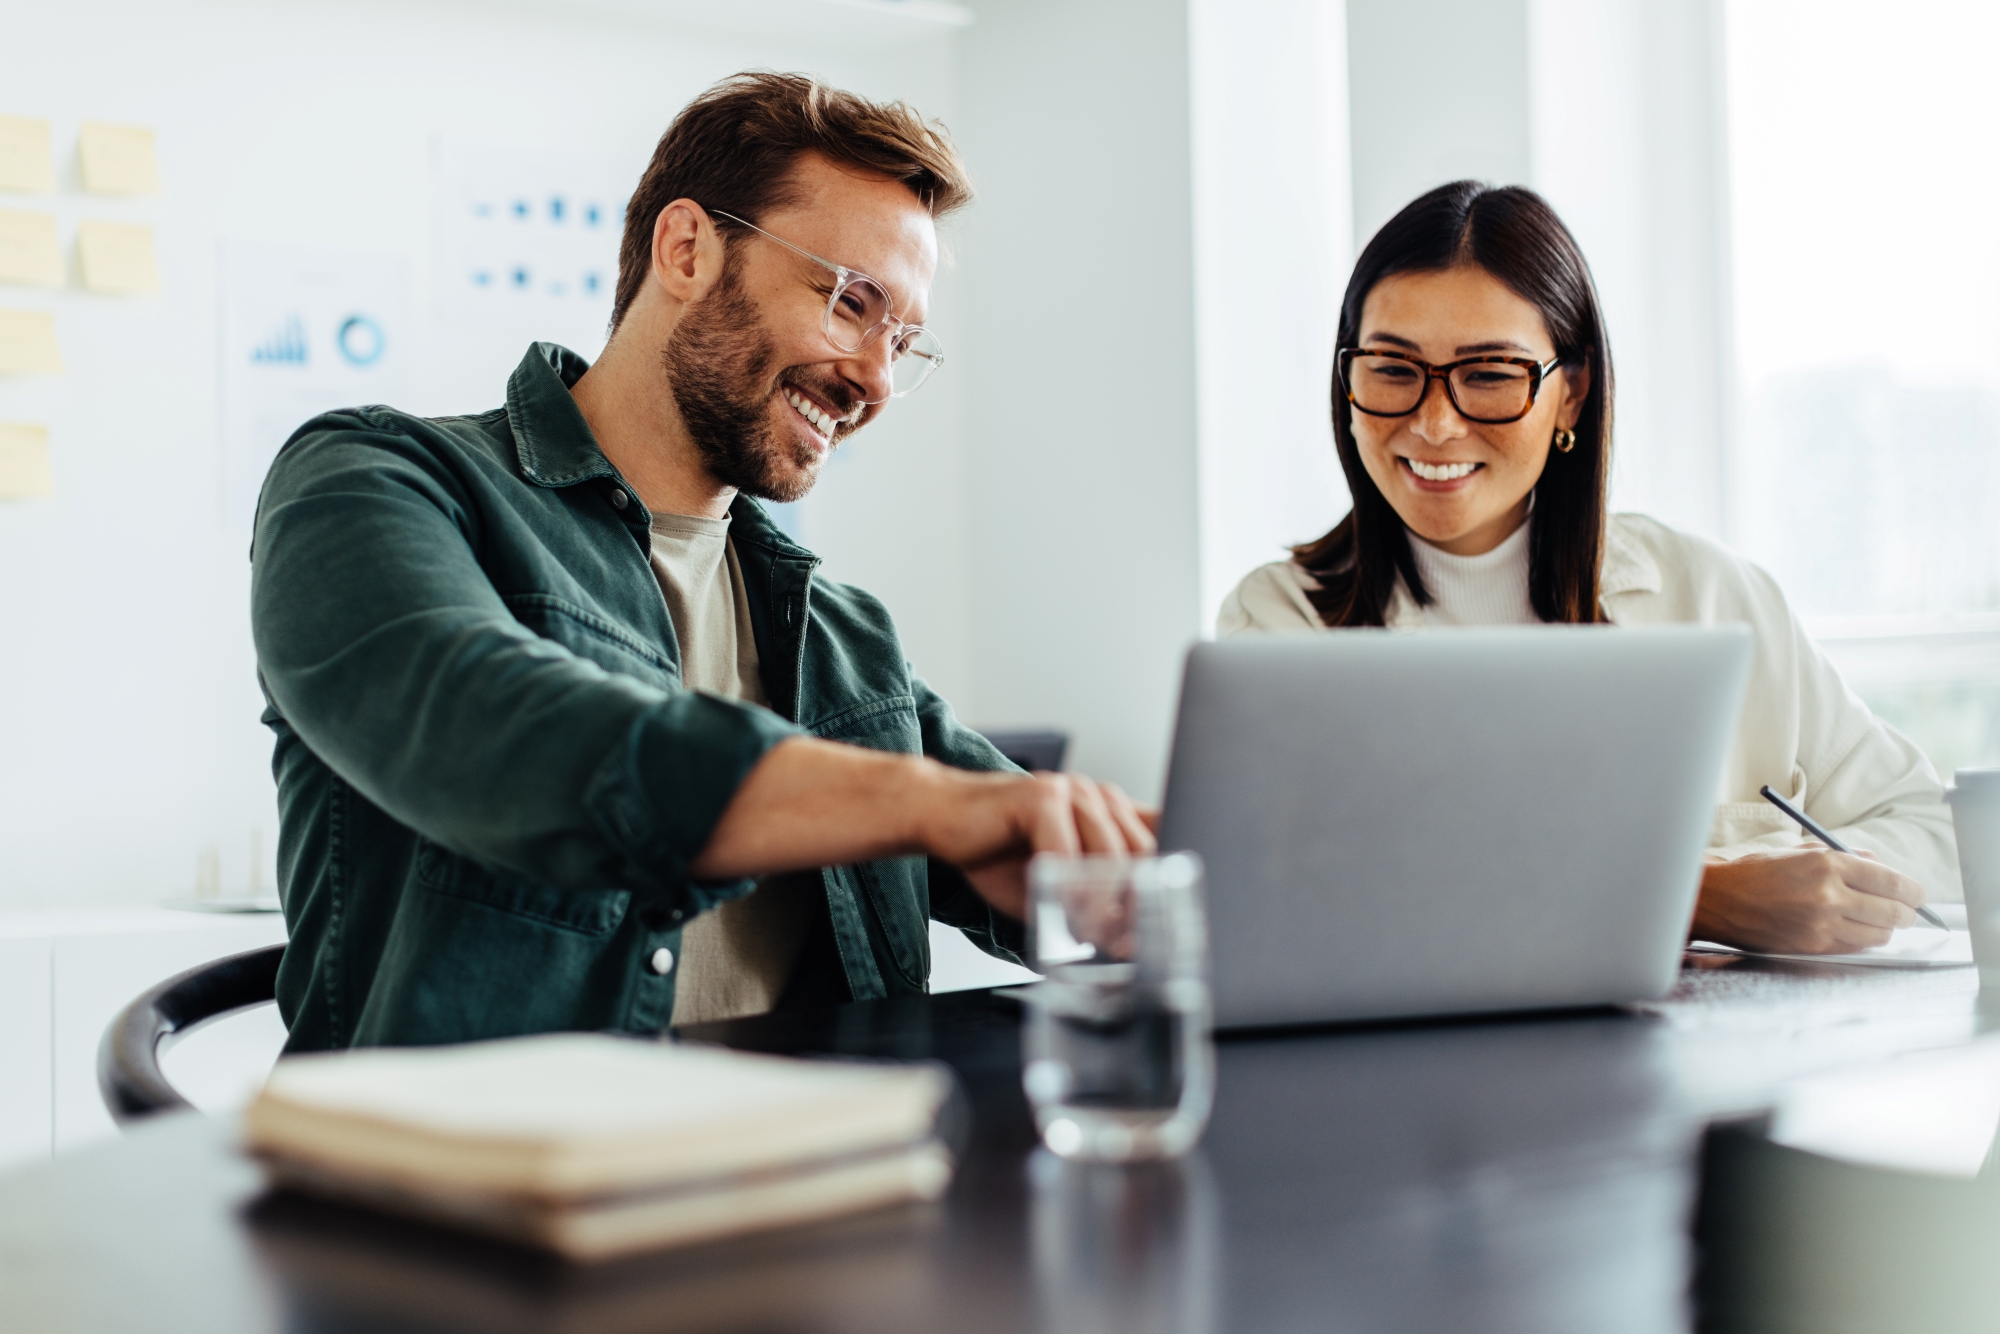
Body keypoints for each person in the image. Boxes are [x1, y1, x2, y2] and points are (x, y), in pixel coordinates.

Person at [251, 73, 1152, 1052]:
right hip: (480, 1184)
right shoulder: (376, 478)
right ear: (686, 248)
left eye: (903, 340)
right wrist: (931, 804)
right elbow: (499, 725)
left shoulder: (842, 635)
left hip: (824, 1175)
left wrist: (1133, 872)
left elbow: (1020, 835)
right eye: (850, 302)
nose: (876, 380)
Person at [1217, 180, 1957, 957]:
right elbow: (1293, 895)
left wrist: (1789, 882)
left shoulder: (1710, 595)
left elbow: (1936, 832)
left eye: (1491, 375)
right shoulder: (1278, 624)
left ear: (1570, 395)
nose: (1434, 423)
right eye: (1393, 370)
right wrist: (1695, 896)